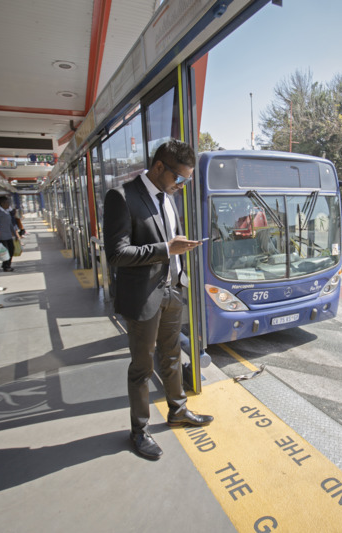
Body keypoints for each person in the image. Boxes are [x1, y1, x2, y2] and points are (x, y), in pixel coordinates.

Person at [103, 139, 212, 460]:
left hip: (172, 290)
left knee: (172, 356)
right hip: (143, 297)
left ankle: (178, 410)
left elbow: (168, 239)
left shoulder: (168, 197)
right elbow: (117, 254)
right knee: (142, 367)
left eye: (186, 181)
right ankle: (139, 430)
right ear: (159, 166)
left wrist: (178, 253)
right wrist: (166, 249)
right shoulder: (122, 197)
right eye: (179, 178)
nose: (182, 186)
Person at [0, 196, 18, 272]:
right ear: (2, 203)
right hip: (2, 235)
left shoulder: (7, 212)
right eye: (7, 202)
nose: (8, 204)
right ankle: (6, 266)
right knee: (5, 251)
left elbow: (10, 224)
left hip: (8, 235)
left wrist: (15, 234)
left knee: (11, 249)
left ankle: (6, 264)